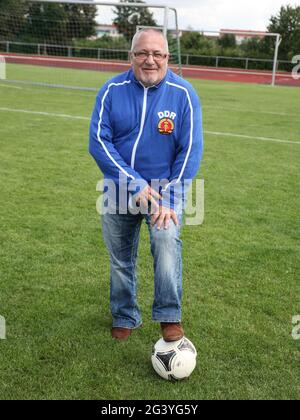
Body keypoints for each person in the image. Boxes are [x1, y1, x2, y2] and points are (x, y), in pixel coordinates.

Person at [89, 29, 203, 341]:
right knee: (121, 259)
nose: (150, 60)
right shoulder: (112, 90)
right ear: (131, 56)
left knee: (166, 246)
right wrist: (132, 182)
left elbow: (190, 150)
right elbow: (99, 142)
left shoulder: (184, 94)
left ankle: (169, 315)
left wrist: (170, 198)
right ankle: (125, 314)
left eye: (158, 54)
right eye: (142, 53)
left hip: (165, 194)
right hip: (119, 190)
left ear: (168, 58)